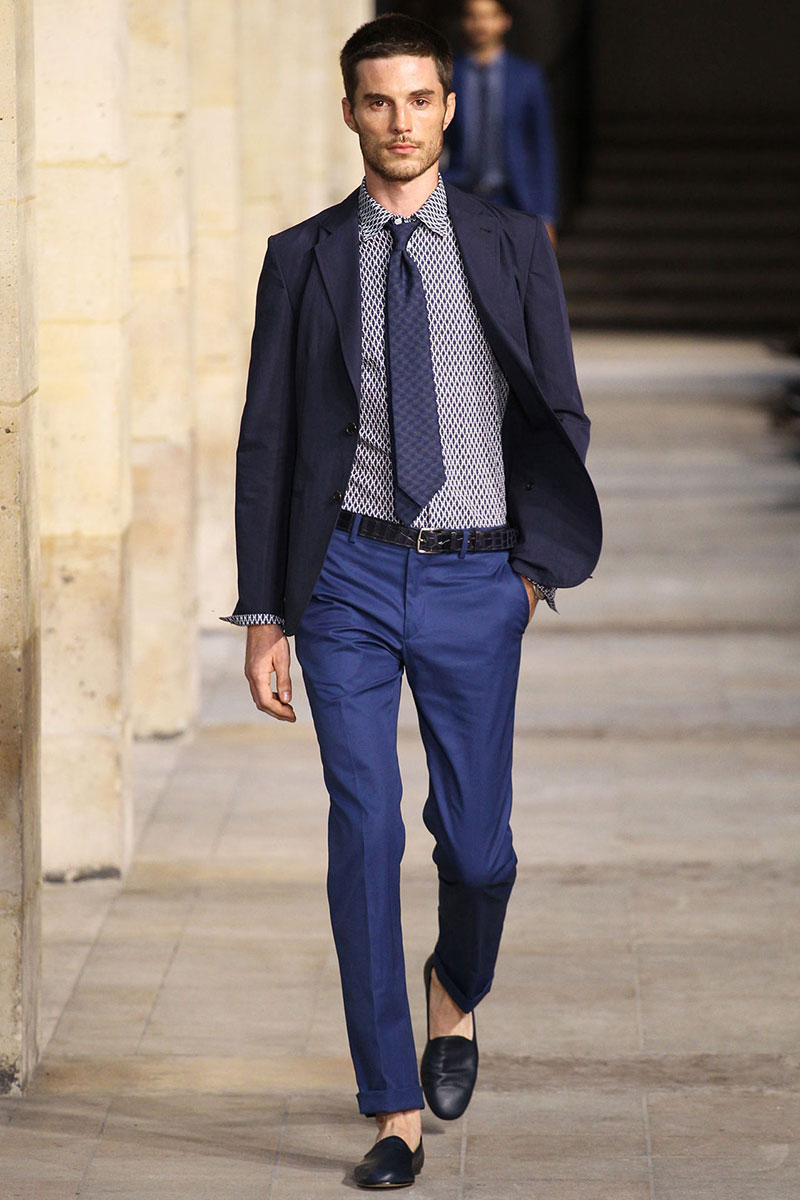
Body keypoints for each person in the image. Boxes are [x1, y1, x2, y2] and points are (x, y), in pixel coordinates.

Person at [223, 13, 601, 1190]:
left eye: (418, 99)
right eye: (377, 101)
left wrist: (528, 572)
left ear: (447, 107)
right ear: (349, 111)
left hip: (476, 576)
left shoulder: (508, 242)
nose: (399, 121)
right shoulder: (301, 256)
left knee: (477, 854)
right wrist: (264, 612)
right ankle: (390, 1105)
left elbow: (558, 410)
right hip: (343, 574)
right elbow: (268, 437)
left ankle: (454, 987)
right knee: (365, 829)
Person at [443, 0, 559, 243]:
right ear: (464, 22)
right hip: (460, 195)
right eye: (473, 16)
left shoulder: (527, 77)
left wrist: (546, 214)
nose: (480, 24)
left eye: (488, 16)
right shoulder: (451, 75)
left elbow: (542, 146)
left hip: (515, 199)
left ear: (504, 21)